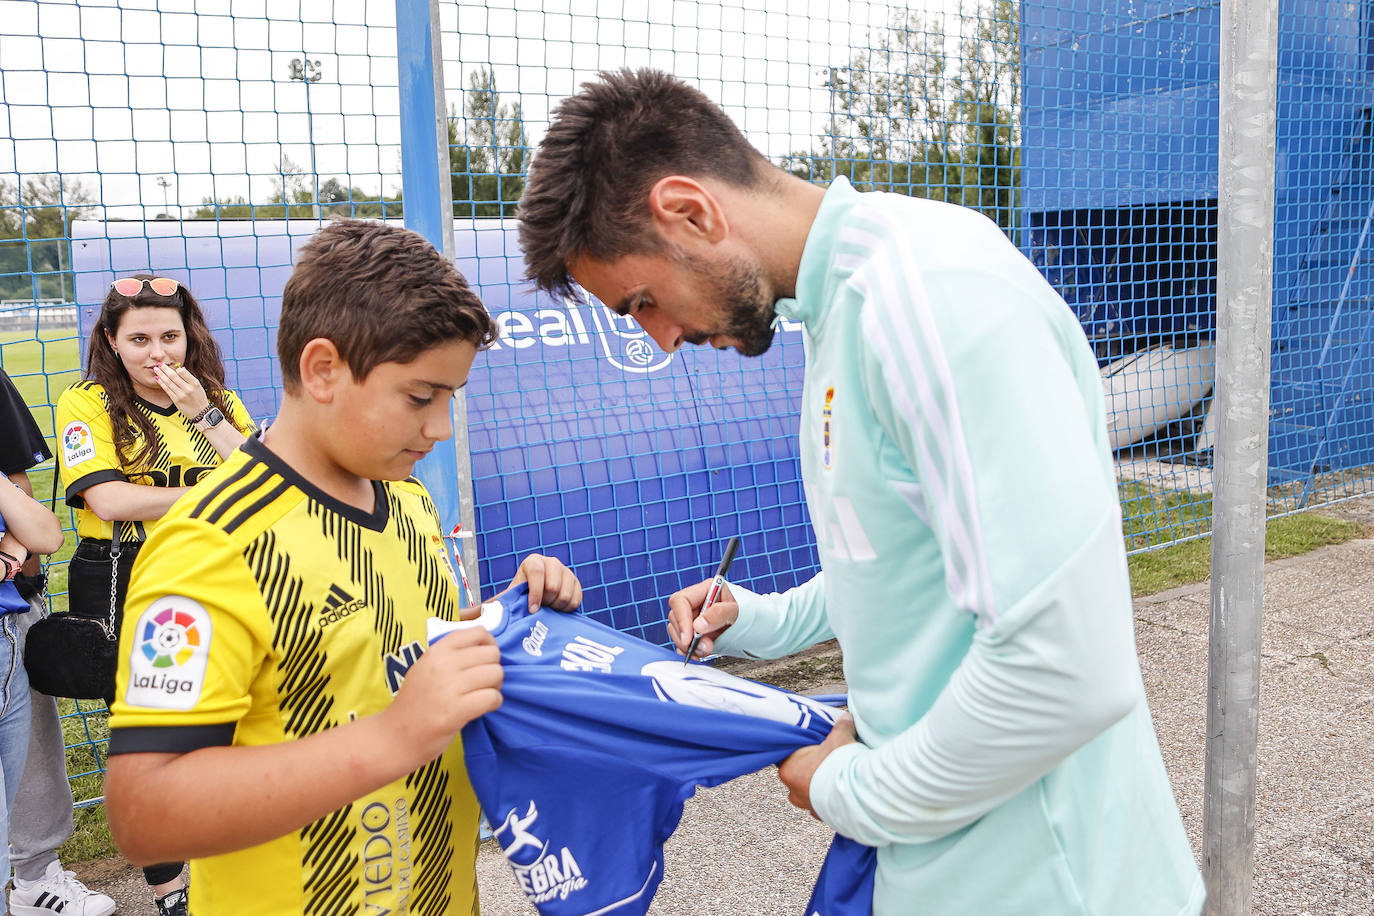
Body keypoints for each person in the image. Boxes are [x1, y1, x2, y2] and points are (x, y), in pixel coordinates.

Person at [517, 69, 1206, 915]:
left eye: (644, 301)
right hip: (954, 870)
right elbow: (903, 569)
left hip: (1051, 881)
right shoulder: (839, 308)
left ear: (690, 212)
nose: (660, 340)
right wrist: (757, 619)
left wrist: (847, 788)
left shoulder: (927, 298)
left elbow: (1065, 667)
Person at [102, 218, 582, 916]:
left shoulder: (407, 501)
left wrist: (507, 622)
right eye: (420, 397)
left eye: (451, 397)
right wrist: (392, 738)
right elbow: (144, 816)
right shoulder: (209, 546)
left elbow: (396, 652)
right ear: (323, 369)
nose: (441, 427)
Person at [54, 274, 257, 915]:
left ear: (188, 337)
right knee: (148, 735)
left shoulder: (217, 399)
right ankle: (170, 890)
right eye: (139, 339)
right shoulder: (87, 402)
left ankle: (231, 859)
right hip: (127, 572)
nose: (158, 353)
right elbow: (109, 499)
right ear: (112, 342)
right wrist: (212, 497)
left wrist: (203, 415)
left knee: (229, 716)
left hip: (214, 568)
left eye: (170, 336)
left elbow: (264, 479)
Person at [0, 368, 118, 916]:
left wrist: (13, 559)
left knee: (31, 749)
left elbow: (21, 487)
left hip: (10, 606)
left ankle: (35, 876)